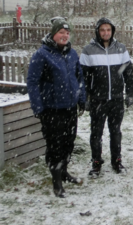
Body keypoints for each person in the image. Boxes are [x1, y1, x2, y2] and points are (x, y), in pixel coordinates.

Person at [27, 17, 86, 198]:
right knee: (55, 146)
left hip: (69, 107)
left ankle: (64, 172)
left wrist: (81, 99)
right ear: (53, 34)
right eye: (61, 32)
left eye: (67, 33)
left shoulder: (72, 53)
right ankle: (56, 182)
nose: (64, 36)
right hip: (51, 108)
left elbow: (79, 78)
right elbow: (33, 82)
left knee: (69, 142)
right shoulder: (42, 54)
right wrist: (38, 107)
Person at [80, 18, 133, 177]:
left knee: (115, 132)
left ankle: (116, 161)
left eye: (108, 30)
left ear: (112, 31)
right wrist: (86, 98)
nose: (105, 33)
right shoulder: (88, 50)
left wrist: (129, 93)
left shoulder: (121, 49)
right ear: (98, 31)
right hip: (98, 99)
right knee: (96, 133)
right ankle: (96, 163)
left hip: (116, 99)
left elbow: (128, 74)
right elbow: (83, 77)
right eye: (102, 30)